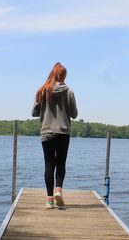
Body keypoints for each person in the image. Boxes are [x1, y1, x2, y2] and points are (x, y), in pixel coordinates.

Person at [32, 62, 78, 209]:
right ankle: (59, 190)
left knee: (49, 165)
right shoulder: (69, 91)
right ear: (63, 75)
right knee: (61, 163)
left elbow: (34, 112)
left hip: (46, 132)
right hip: (63, 132)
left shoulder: (42, 91)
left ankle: (50, 200)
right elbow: (74, 114)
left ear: (52, 73)